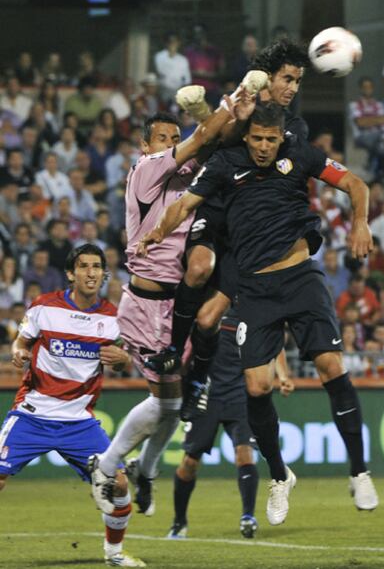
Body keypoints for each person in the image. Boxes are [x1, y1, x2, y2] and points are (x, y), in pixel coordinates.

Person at [138, 102, 379, 521]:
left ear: (281, 135)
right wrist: (157, 231)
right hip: (254, 289)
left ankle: (359, 471)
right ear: (246, 136)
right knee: (256, 388)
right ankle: (280, 475)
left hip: (300, 277)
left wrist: (361, 222)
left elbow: (356, 184)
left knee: (331, 366)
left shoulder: (300, 152)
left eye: (271, 139)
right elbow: (184, 205)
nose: (264, 147)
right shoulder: (225, 164)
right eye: (257, 139)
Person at [88, 75, 265, 517]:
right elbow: (205, 135)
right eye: (163, 139)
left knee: (177, 403)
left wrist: (236, 116)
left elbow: (215, 141)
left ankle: (144, 471)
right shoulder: (146, 171)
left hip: (179, 305)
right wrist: (238, 93)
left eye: (174, 137)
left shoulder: (190, 178)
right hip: (147, 304)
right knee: (167, 401)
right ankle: (108, 465)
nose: (172, 145)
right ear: (147, 147)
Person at [144, 40, 309, 420]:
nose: (292, 88)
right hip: (216, 201)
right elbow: (212, 138)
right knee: (198, 267)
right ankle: (172, 350)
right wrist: (224, 114)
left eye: (298, 81)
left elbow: (267, 149)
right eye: (287, 78)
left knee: (208, 320)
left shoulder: (293, 125)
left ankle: (198, 381)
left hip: (247, 231)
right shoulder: (237, 100)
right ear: (268, 76)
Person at [0, 244, 145, 568]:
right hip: (33, 413)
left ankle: (114, 554)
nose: (91, 273)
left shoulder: (113, 319)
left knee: (120, 485)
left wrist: (123, 360)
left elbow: (126, 358)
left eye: (97, 267)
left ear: (104, 274)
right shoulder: (44, 308)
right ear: (70, 273)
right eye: (83, 266)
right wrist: (19, 352)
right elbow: (21, 342)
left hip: (79, 420)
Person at [165, 304, 294, 539]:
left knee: (244, 454)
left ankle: (248, 516)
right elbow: (190, 348)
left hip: (240, 395)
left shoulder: (254, 313)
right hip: (208, 395)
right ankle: (179, 521)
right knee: (189, 463)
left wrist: (283, 376)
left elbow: (274, 346)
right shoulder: (209, 309)